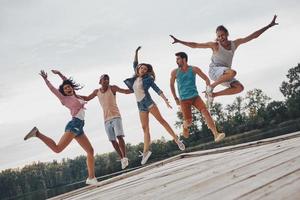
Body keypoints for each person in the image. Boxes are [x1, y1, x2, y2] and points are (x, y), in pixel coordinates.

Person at [170, 15, 278, 107]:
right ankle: (211, 87)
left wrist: (268, 26)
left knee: (239, 88)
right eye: (219, 36)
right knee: (232, 72)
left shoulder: (234, 44)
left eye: (223, 35)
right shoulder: (215, 45)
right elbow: (195, 45)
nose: (221, 38)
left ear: (227, 34)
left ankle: (213, 95)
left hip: (225, 74)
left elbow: (252, 36)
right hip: (215, 71)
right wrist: (179, 41)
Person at [24, 70, 97, 185]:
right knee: (57, 149)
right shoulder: (64, 99)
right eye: (65, 88)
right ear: (63, 92)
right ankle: (37, 133)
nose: (68, 89)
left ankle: (91, 178)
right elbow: (53, 89)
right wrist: (46, 79)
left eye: (69, 87)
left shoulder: (76, 95)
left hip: (79, 127)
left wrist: (60, 74)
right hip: (74, 125)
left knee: (90, 151)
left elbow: (67, 82)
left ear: (72, 88)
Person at [124, 46, 185, 165]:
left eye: (145, 69)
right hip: (140, 105)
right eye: (141, 68)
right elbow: (135, 62)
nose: (142, 69)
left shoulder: (148, 79)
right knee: (145, 128)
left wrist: (166, 100)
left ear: (147, 71)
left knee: (161, 121)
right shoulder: (135, 78)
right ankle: (146, 152)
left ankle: (177, 140)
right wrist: (136, 52)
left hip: (149, 102)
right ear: (138, 69)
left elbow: (157, 90)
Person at [79, 74, 132, 170]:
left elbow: (125, 91)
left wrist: (136, 88)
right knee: (112, 140)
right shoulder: (97, 92)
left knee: (119, 136)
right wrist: (74, 95)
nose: (106, 81)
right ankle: (122, 158)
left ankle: (125, 157)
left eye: (108, 79)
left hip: (116, 116)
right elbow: (87, 98)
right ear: (100, 82)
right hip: (106, 119)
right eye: (104, 79)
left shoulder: (113, 88)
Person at [170, 52, 225, 142]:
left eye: (178, 59)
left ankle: (216, 134)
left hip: (195, 97)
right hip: (184, 100)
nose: (176, 61)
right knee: (189, 122)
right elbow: (171, 85)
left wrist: (208, 91)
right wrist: (175, 98)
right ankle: (185, 125)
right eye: (176, 59)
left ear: (184, 59)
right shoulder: (175, 72)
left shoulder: (194, 69)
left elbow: (206, 79)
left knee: (206, 112)